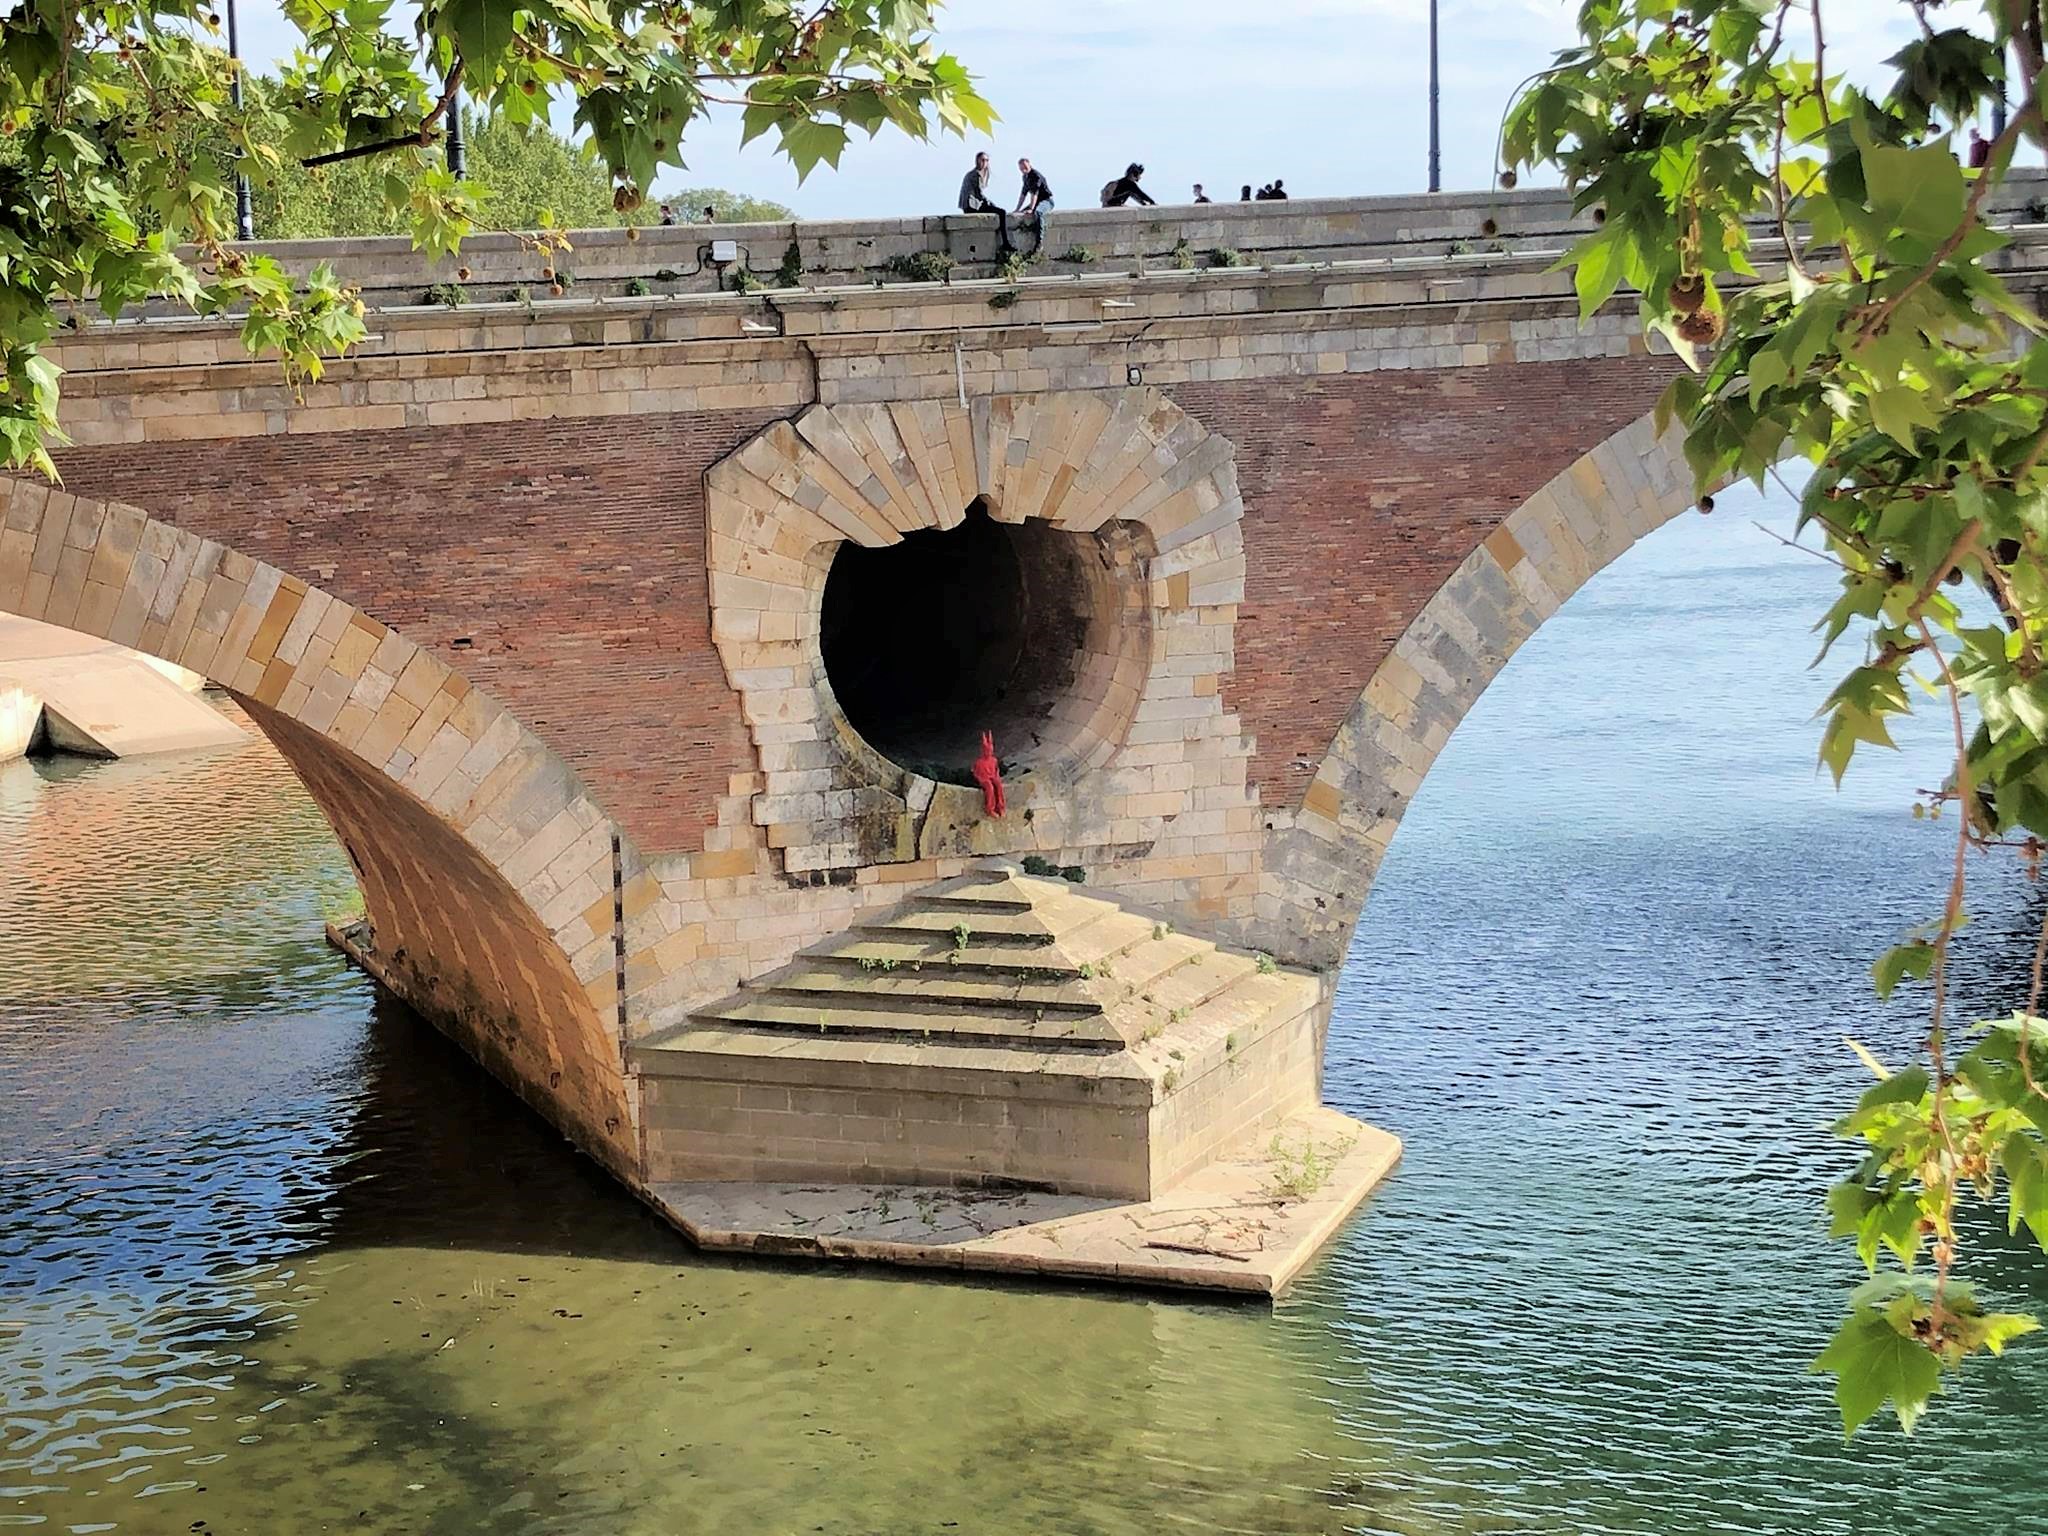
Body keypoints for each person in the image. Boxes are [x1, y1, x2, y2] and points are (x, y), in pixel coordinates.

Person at [958, 151, 1014, 250]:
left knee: (998, 211)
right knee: (1002, 212)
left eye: (986, 161)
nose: (984, 163)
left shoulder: (974, 173)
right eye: (982, 160)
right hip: (972, 206)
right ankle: (1005, 242)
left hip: (971, 204)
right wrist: (990, 203)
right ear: (977, 161)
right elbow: (979, 194)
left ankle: (1005, 242)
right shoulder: (976, 175)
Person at [1014, 156, 1053, 254]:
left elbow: (1034, 194)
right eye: (1021, 168)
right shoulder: (1025, 177)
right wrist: (1017, 209)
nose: (1024, 170)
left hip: (1046, 201)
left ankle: (1039, 242)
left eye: (1025, 167)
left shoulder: (1036, 176)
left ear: (1029, 164)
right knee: (1023, 214)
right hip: (1036, 202)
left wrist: (1031, 208)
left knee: (1038, 213)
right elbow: (1023, 194)